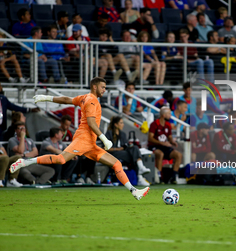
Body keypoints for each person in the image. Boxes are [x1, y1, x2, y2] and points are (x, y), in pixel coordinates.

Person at [10, 77, 150, 200]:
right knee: (61, 159)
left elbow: (66, 100)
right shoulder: (91, 101)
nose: (104, 90)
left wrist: (47, 98)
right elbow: (90, 123)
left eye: (105, 88)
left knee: (116, 164)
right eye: (102, 87)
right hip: (83, 139)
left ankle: (134, 191)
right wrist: (104, 138)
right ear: (94, 87)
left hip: (91, 143)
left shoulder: (85, 97)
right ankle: (24, 162)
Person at [105, 116, 150, 186]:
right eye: (121, 123)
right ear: (116, 124)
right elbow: (105, 148)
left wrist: (128, 146)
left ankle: (140, 169)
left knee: (134, 147)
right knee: (133, 156)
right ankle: (140, 175)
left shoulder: (123, 134)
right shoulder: (109, 133)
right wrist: (117, 149)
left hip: (123, 152)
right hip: (113, 153)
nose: (123, 124)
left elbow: (125, 145)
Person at [148, 107, 182, 184]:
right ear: (163, 115)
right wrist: (161, 143)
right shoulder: (154, 124)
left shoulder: (168, 125)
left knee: (178, 155)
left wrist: (172, 142)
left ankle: (173, 177)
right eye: (169, 114)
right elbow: (150, 138)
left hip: (164, 146)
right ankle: (159, 177)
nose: (170, 115)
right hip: (155, 146)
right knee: (160, 154)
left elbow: (169, 137)